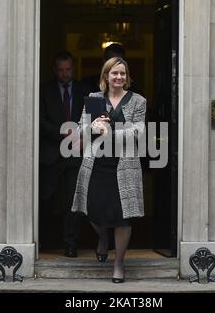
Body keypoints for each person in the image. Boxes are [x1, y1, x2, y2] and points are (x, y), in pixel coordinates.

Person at [71, 57, 146, 283]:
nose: (119, 77)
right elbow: (81, 128)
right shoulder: (94, 99)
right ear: (106, 76)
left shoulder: (138, 101)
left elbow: (138, 132)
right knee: (93, 209)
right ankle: (103, 238)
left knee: (123, 217)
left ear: (127, 76)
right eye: (114, 73)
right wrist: (90, 127)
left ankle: (119, 264)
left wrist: (110, 134)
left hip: (124, 166)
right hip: (96, 164)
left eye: (122, 73)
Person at [39, 51, 84, 258]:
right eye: (60, 70)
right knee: (46, 198)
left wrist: (81, 135)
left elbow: (93, 119)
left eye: (68, 70)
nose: (65, 74)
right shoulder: (44, 91)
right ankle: (43, 240)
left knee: (72, 203)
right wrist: (62, 131)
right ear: (54, 70)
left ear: (73, 68)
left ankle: (70, 244)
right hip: (51, 155)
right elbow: (40, 121)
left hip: (75, 153)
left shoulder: (84, 91)